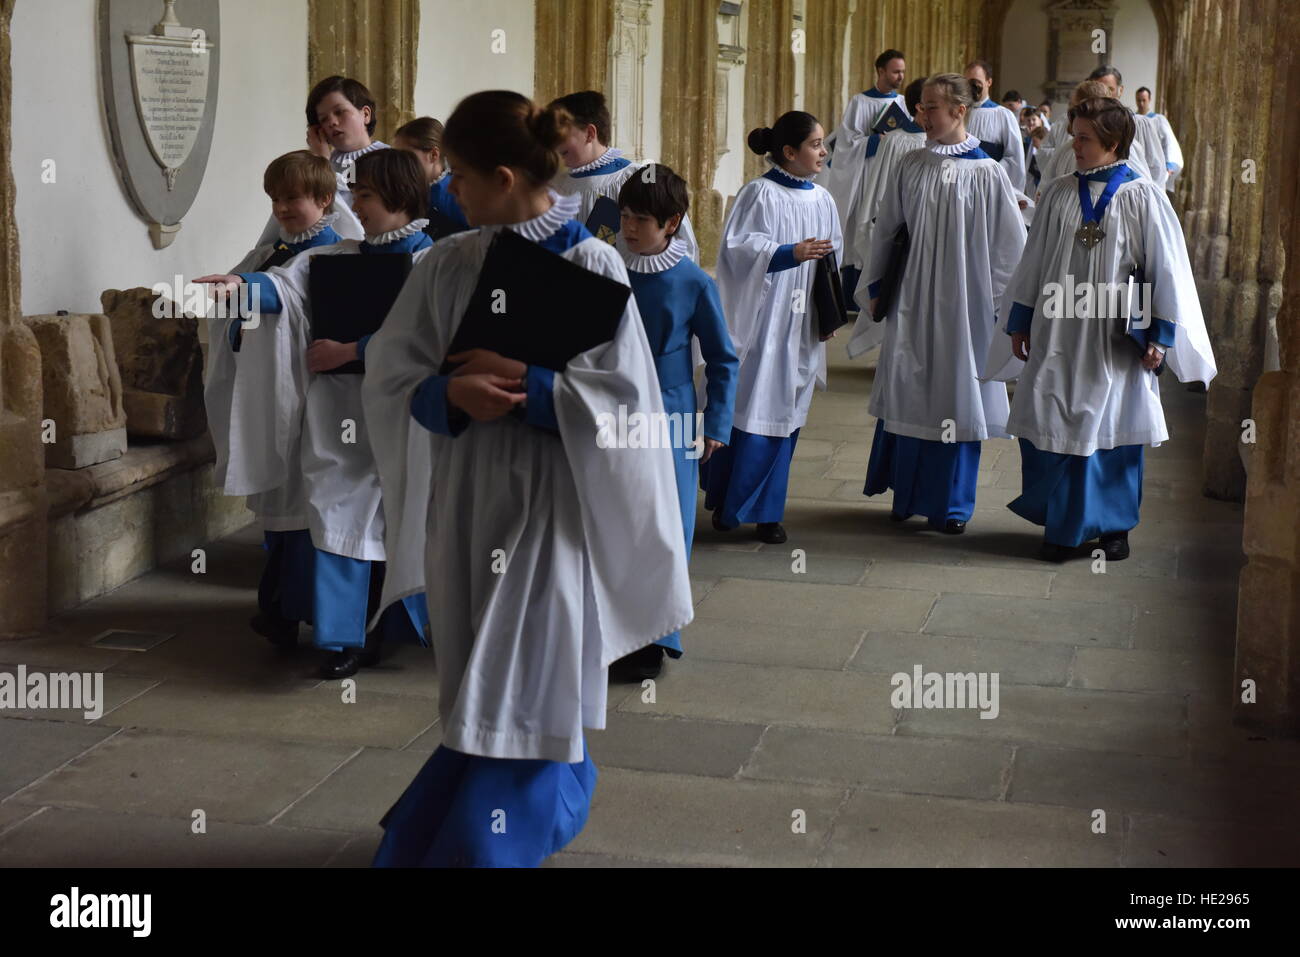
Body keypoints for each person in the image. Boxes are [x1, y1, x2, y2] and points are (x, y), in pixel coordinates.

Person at [361, 90, 692, 867]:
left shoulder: (591, 261)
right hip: (470, 497)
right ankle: (480, 812)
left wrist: (535, 385)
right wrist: (449, 393)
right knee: (481, 660)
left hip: (554, 503)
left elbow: (628, 402)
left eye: (462, 181)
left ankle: (485, 841)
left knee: (528, 663)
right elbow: (391, 372)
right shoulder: (446, 262)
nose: (449, 195)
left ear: (503, 177)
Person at [200, 150, 434, 679]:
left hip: (400, 416)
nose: (357, 203)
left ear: (398, 198)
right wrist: (242, 288)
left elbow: (429, 337)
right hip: (336, 414)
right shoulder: (338, 254)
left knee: (397, 519)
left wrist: (353, 351)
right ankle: (343, 638)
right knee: (335, 514)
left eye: (366, 195)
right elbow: (285, 285)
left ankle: (385, 626)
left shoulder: (431, 261)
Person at [983, 97, 1216, 562]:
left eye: (1085, 138)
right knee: (1053, 417)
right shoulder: (1061, 194)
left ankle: (1114, 527)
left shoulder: (1142, 195)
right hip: (1058, 329)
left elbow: (1165, 270)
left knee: (1114, 424)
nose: (1075, 145)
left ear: (1112, 144)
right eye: (1075, 135)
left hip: (1114, 337)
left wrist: (1160, 337)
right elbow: (1034, 260)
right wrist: (1020, 319)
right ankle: (1064, 526)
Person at [861, 74, 1026, 534]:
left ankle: (951, 504)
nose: (922, 116)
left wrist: (1002, 310)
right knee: (910, 389)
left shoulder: (989, 172)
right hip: (913, 296)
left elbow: (1009, 249)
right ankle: (907, 493)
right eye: (920, 107)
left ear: (960, 110)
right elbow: (888, 230)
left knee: (956, 394)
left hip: (964, 304)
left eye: (932, 107)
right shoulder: (911, 164)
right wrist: (877, 288)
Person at [204, 151, 350, 647]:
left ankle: (301, 612)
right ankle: (280, 609)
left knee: (303, 510)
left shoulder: (331, 251)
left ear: (325, 200)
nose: (282, 208)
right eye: (275, 199)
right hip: (274, 394)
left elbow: (281, 292)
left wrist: (243, 286)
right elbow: (259, 280)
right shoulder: (274, 249)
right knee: (282, 512)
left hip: (312, 401)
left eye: (292, 198)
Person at [614, 164, 738, 679]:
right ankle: (614, 628)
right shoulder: (605, 267)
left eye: (642, 219)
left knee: (666, 524)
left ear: (672, 222)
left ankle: (655, 634)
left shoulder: (691, 279)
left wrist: (716, 423)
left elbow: (722, 357)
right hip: (613, 407)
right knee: (617, 516)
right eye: (624, 216)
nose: (630, 227)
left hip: (671, 412)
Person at [702, 111, 841, 545]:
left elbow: (831, 262)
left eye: (822, 143)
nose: (823, 151)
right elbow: (738, 251)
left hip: (800, 323)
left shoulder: (823, 199)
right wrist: (788, 252)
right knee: (754, 406)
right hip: (763, 319)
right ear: (788, 152)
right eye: (816, 144)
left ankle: (766, 512)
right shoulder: (758, 194)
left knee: (786, 413)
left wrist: (828, 314)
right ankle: (732, 504)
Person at [547, 90, 700, 260]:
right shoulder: (552, 184)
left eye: (559, 134)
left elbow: (682, 247)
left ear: (590, 134)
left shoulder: (640, 178)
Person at [844, 75, 927, 359]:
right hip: (901, 235)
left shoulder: (945, 146)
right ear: (919, 106)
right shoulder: (895, 142)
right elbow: (881, 189)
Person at [252, 75, 387, 247]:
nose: (332, 122)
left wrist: (324, 166)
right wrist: (320, 161)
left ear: (365, 114)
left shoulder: (389, 160)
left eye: (339, 112)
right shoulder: (318, 162)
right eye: (323, 119)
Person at [821, 48, 909, 302]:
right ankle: (851, 295)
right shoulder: (860, 101)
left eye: (902, 71)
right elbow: (847, 143)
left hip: (889, 175)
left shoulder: (902, 103)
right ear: (881, 71)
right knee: (858, 229)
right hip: (863, 175)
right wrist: (875, 141)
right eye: (895, 71)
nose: (900, 76)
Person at [1088, 66, 1168, 190]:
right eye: (1099, 89)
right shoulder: (1083, 126)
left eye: (1110, 89)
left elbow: (1156, 168)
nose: (1104, 95)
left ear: (1120, 90)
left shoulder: (1140, 124)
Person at [393, 115, 469, 234]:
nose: (398, 164)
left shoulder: (458, 194)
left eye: (405, 156)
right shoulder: (402, 192)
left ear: (434, 154)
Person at [963, 59, 1026, 190]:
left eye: (976, 83)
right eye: (967, 83)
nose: (971, 88)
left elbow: (1014, 159)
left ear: (989, 82)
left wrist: (985, 177)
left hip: (990, 187)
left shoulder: (1003, 115)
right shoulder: (959, 113)